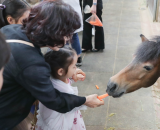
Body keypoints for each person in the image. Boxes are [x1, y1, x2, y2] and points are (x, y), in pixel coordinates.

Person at [0, 1, 104, 129]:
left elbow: (27, 72)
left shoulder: (11, 30)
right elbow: (54, 100)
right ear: (54, 31)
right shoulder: (30, 62)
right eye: (67, 34)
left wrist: (68, 71)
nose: (68, 39)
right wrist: (85, 100)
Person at [37, 48, 86, 130]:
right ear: (60, 71)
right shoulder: (67, 91)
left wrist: (72, 79)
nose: (76, 68)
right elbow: (73, 105)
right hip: (62, 122)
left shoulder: (50, 79)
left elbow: (62, 83)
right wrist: (87, 101)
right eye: (74, 66)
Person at [63, 0, 83, 66]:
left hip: (66, 12)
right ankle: (78, 57)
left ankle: (66, 57)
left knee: (65, 36)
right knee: (74, 35)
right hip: (74, 11)